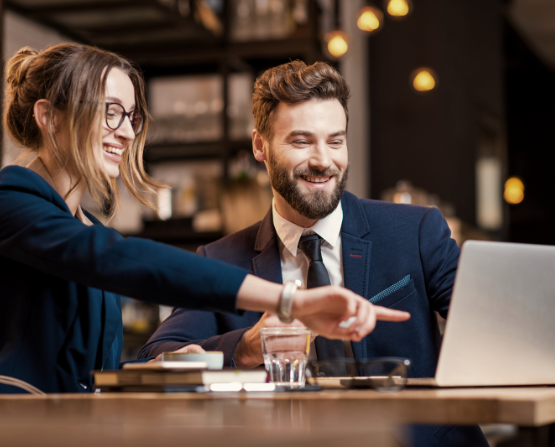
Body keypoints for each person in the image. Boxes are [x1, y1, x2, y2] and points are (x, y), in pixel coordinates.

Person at [0, 45, 410, 394]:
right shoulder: (11, 201)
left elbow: (87, 378)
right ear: (49, 116)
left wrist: (165, 368)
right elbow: (119, 259)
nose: (125, 132)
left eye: (130, 116)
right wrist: (289, 300)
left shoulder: (87, 225)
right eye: (110, 112)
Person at [138, 60, 488, 447]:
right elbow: (155, 359)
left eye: (335, 141)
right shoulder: (219, 260)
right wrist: (246, 346)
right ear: (260, 146)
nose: (324, 160)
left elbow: (489, 325)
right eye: (302, 141)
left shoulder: (416, 231)